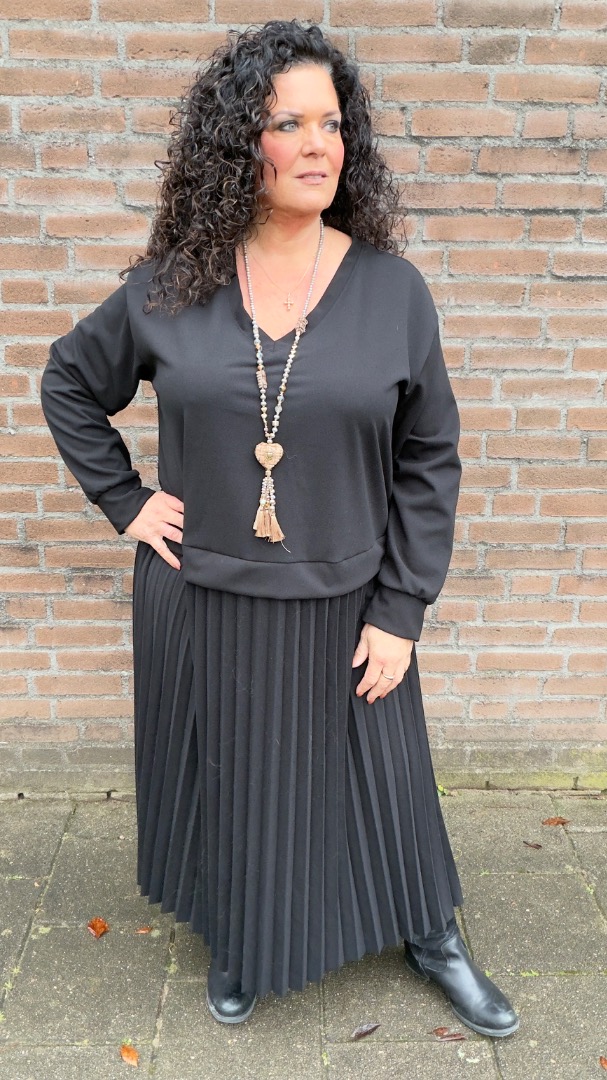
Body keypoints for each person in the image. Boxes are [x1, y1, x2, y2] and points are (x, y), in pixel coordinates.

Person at [40, 19, 519, 1037]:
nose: (317, 145)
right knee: (231, 778)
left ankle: (429, 932)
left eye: (331, 124)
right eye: (288, 123)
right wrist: (126, 501)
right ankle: (243, 935)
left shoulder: (391, 292)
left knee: (383, 781)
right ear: (236, 144)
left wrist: (401, 609)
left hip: (350, 597)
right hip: (203, 593)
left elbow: (429, 458)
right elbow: (69, 382)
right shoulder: (170, 286)